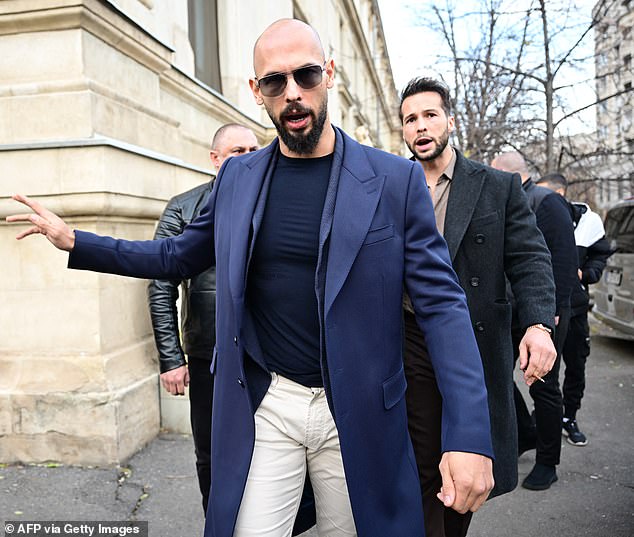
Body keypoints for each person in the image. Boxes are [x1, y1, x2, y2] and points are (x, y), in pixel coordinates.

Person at [8, 19, 496, 537]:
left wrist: (468, 434)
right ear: (255, 91)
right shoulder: (239, 178)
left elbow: (443, 305)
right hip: (269, 403)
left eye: (305, 75)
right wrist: (77, 241)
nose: (292, 93)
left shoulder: (393, 181)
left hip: (357, 412)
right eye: (274, 82)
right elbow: (176, 256)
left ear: (329, 74)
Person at [399, 77, 557, 537]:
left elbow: (530, 258)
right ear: (404, 131)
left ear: (450, 120)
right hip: (408, 341)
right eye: (411, 119)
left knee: (466, 463)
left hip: (474, 344)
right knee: (423, 463)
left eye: (430, 115)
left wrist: (537, 325)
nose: (421, 126)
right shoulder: (390, 184)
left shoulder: (497, 186)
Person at [148, 123, 259, 514]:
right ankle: (219, 521)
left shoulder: (274, 202)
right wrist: (171, 358)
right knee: (211, 450)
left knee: (272, 450)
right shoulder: (184, 207)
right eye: (236, 152)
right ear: (216, 160)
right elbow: (161, 283)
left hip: (268, 352)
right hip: (208, 353)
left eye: (253, 149)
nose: (248, 158)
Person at [491, 152, 578, 490]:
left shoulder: (546, 201)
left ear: (508, 175)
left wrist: (549, 312)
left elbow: (563, 258)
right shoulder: (511, 199)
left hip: (544, 313)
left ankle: (547, 462)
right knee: (496, 374)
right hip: (510, 310)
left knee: (543, 385)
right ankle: (525, 433)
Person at [536, 172, 612, 446]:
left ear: (559, 194)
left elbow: (601, 253)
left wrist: (586, 274)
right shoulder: (538, 218)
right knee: (546, 374)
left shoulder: (589, 221)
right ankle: (545, 419)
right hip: (549, 309)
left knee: (576, 367)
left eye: (542, 193)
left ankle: (570, 417)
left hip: (577, 309)